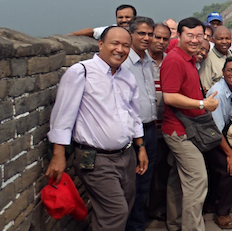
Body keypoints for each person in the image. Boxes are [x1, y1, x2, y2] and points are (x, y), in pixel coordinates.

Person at [46, 26, 148, 231]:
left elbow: (134, 115)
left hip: (126, 155)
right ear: (101, 44)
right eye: (115, 44)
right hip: (95, 159)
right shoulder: (81, 72)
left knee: (125, 204)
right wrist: (58, 154)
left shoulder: (127, 77)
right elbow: (62, 116)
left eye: (126, 46)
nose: (120, 49)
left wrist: (141, 146)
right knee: (115, 211)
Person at [160, 17, 219, 231]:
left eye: (199, 36)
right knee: (197, 180)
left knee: (178, 178)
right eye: (190, 36)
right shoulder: (175, 60)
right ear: (179, 36)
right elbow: (170, 97)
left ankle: (175, 224)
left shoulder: (188, 57)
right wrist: (203, 103)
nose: (195, 40)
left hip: (187, 127)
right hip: (179, 130)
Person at [122, 17, 158, 231]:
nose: (146, 38)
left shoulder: (147, 62)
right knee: (132, 184)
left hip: (150, 129)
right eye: (141, 34)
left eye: (149, 34)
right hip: (133, 133)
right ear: (131, 34)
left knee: (144, 183)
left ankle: (137, 224)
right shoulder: (124, 63)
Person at [205, 57, 232, 229]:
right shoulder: (217, 93)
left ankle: (222, 199)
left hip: (229, 130)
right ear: (223, 72)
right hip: (212, 135)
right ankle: (222, 213)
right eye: (230, 70)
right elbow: (214, 129)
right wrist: (230, 155)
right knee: (229, 167)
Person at [147, 23, 171, 221]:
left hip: (166, 125)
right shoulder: (141, 61)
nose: (161, 42)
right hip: (145, 127)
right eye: (157, 37)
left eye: (165, 39)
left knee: (163, 167)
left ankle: (159, 207)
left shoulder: (169, 62)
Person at [68, 4, 136, 39]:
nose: (123, 20)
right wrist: (68, 36)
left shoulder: (142, 31)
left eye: (127, 17)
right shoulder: (111, 30)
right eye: (120, 17)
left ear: (134, 18)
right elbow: (92, 31)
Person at [199, 26, 232, 90]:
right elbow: (205, 88)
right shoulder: (208, 59)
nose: (224, 41)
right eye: (220, 39)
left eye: (227, 38)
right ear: (213, 40)